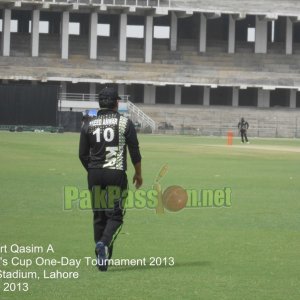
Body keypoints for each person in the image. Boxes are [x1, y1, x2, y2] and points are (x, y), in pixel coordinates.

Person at [79, 86, 142, 272]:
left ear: (100, 103)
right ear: (116, 103)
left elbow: (82, 154)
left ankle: (102, 261)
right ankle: (103, 244)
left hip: (95, 174)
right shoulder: (124, 123)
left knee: (99, 217)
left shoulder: (88, 124)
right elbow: (134, 151)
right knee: (115, 216)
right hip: (115, 174)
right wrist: (138, 174)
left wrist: (93, 170)